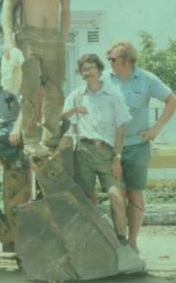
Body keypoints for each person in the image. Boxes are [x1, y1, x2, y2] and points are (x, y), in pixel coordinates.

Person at [1, 0, 71, 157]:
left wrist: (63, 37)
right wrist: (9, 41)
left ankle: (50, 139)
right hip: (29, 36)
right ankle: (30, 139)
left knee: (55, 92)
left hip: (53, 37)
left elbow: (66, 10)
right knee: (30, 89)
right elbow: (7, 6)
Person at [106, 40, 176, 252]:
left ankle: (133, 241)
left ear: (127, 60)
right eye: (108, 59)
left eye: (113, 59)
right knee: (116, 193)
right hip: (112, 148)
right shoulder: (105, 79)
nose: (109, 62)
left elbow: (172, 100)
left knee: (135, 192)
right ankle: (119, 241)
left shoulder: (146, 79)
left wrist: (156, 128)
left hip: (137, 145)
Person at [62, 53, 131, 242]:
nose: (88, 72)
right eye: (84, 69)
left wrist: (117, 157)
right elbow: (62, 116)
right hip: (83, 151)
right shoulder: (77, 95)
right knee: (86, 196)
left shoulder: (113, 96)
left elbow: (121, 127)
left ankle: (121, 238)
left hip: (107, 153)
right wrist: (75, 109)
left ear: (99, 70)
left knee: (115, 194)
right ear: (81, 73)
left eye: (92, 68)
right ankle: (93, 240)